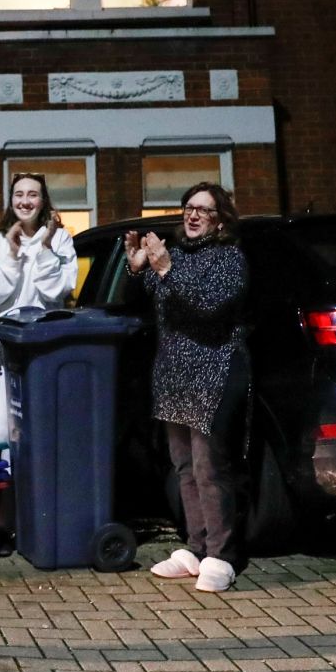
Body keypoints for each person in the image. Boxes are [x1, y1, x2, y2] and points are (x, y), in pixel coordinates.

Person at [125, 182, 248, 593]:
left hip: (213, 371)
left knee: (210, 466)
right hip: (174, 374)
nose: (193, 215)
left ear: (220, 220)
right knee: (184, 466)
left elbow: (209, 305)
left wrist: (165, 270)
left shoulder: (229, 259)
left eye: (204, 210)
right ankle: (196, 547)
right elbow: (150, 298)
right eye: (189, 208)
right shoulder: (175, 254)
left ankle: (222, 553)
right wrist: (137, 268)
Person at [0, 172, 79, 443]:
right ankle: (3, 471)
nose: (25, 201)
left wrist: (45, 248)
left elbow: (56, 290)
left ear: (43, 201)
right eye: (19, 194)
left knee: (40, 425)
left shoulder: (60, 240)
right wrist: (11, 254)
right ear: (11, 201)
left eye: (33, 195)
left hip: (42, 346)